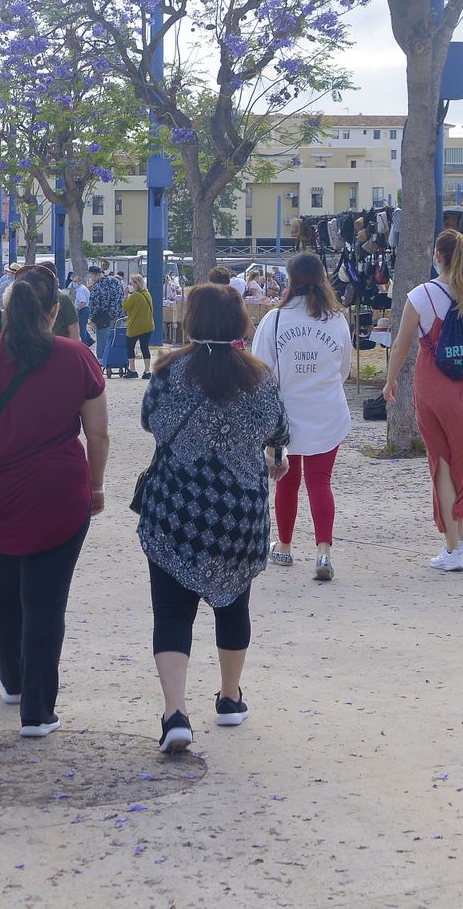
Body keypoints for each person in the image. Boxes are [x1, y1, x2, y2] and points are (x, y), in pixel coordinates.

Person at [0, 265, 109, 739]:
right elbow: (98, 432)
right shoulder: (77, 356)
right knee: (46, 600)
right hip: (60, 493)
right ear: (55, 311)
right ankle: (38, 710)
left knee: (3, 591)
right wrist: (96, 485)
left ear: (5, 309)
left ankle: (12, 679)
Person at [136, 284, 289, 753]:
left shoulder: (168, 371)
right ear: (240, 322)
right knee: (233, 605)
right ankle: (228, 698)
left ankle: (175, 713)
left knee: (171, 611)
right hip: (237, 516)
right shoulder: (260, 377)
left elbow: (150, 422)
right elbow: (280, 430)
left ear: (192, 320)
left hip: (176, 510)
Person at [383, 229, 463, 573]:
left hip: (437, 388)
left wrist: (390, 379)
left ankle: (453, 547)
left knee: (443, 463)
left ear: (438, 256)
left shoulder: (422, 295)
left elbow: (402, 344)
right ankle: (458, 540)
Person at [251, 252, 352, 581]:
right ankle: (324, 552)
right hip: (327, 411)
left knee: (287, 482)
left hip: (287, 416)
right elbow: (344, 370)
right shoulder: (336, 319)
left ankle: (284, 545)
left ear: (289, 280)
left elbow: (261, 372)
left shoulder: (274, 319)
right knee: (321, 481)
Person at [87, 263, 123, 366]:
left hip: (102, 318)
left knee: (103, 341)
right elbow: (121, 297)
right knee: (115, 340)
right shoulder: (115, 281)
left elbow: (94, 304)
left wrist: (91, 319)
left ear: (94, 275)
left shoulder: (97, 286)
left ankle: (102, 361)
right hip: (117, 316)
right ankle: (115, 360)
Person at [121, 273, 156, 379]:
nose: (130, 285)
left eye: (131, 283)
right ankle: (147, 371)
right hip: (148, 325)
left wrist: (126, 294)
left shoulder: (135, 296)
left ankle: (132, 370)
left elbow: (125, 307)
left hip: (136, 326)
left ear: (135, 283)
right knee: (145, 347)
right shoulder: (147, 294)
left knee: (130, 347)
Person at [72, 273, 92, 345]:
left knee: (82, 328)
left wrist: (76, 309)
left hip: (83, 310)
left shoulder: (81, 289)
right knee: (83, 326)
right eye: (73, 281)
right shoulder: (81, 288)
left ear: (80, 281)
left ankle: (84, 343)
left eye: (75, 281)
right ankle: (89, 341)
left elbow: (83, 302)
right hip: (84, 309)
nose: (74, 283)